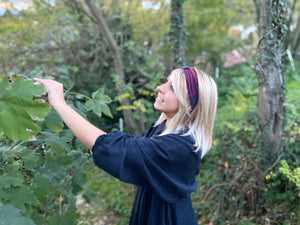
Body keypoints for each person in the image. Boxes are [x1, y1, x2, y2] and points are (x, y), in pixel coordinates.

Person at [34, 66, 218, 225]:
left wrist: (59, 103)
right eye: (166, 82)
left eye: (173, 88)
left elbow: (115, 149)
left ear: (190, 104)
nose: (160, 88)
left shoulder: (180, 146)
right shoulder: (164, 128)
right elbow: (129, 146)